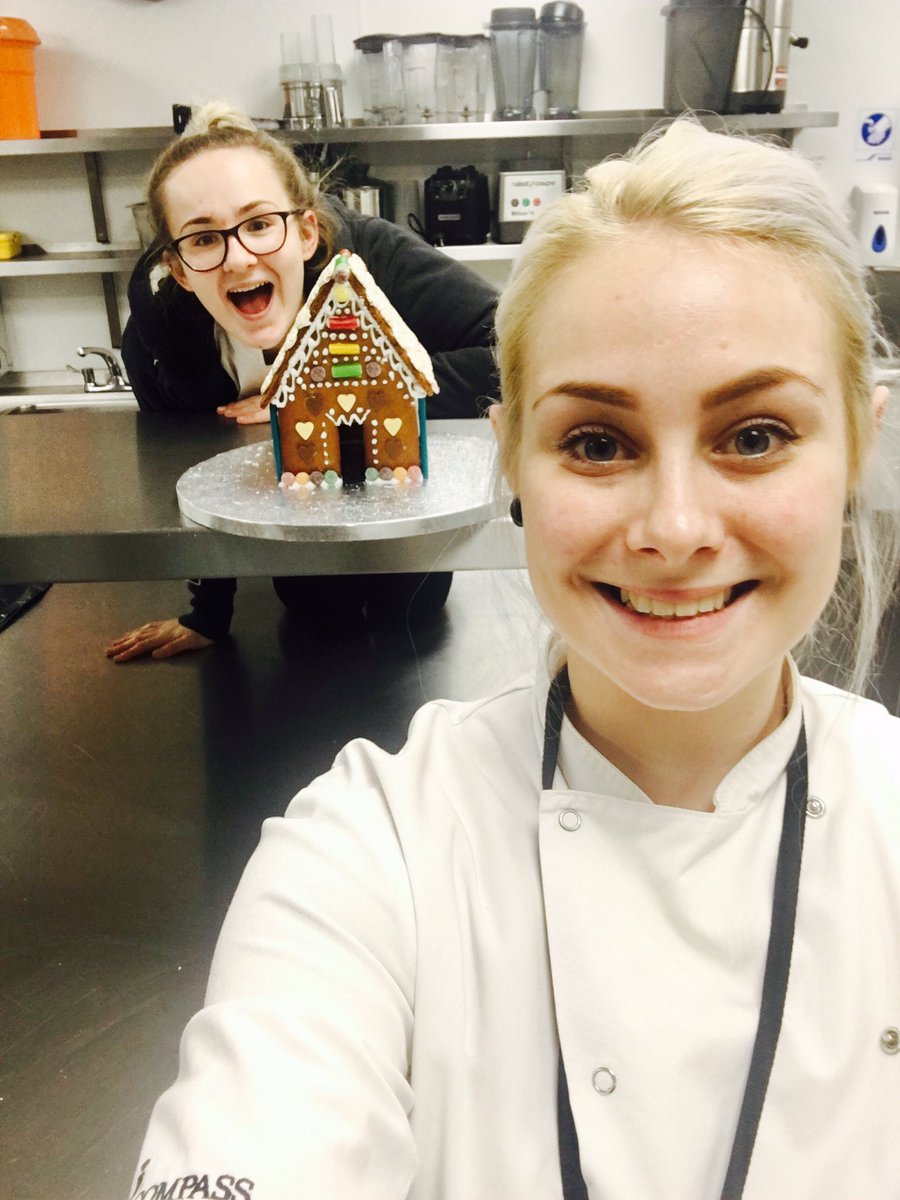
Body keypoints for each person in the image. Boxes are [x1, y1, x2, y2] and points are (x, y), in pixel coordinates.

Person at [128, 119, 900, 1199]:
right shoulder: (371, 850)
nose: (674, 528)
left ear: (861, 444)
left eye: (756, 435)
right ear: (514, 460)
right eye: (596, 442)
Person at [106, 104, 498, 662]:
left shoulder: (375, 260)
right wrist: (208, 615)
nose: (239, 258)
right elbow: (188, 476)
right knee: (317, 620)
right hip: (288, 536)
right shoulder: (158, 341)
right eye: (202, 239)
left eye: (260, 224)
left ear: (307, 232)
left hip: (407, 519)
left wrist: (373, 386)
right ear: (178, 268)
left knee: (413, 619)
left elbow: (513, 354)